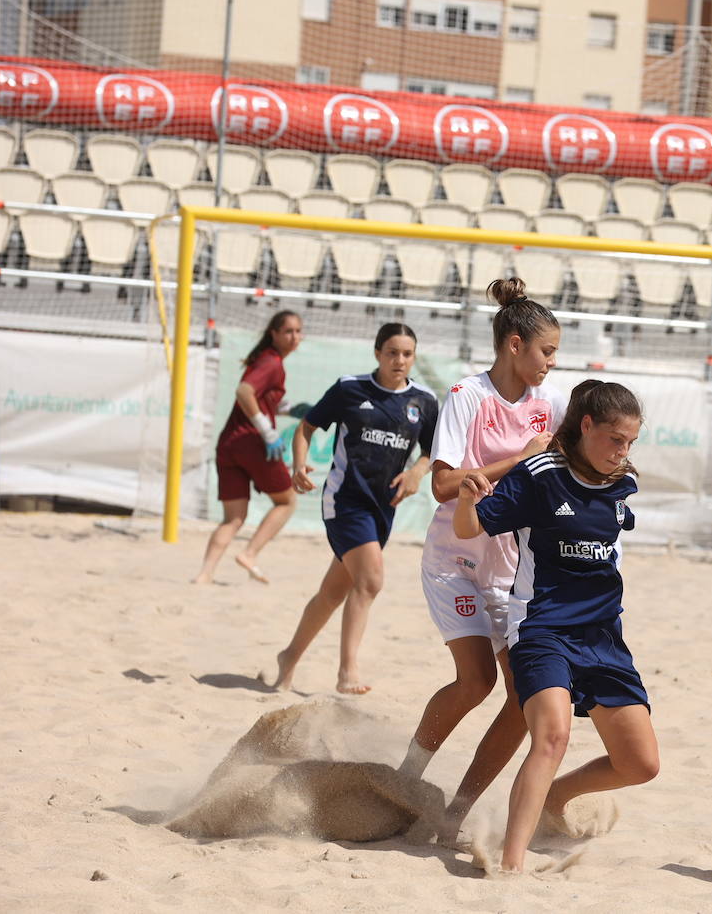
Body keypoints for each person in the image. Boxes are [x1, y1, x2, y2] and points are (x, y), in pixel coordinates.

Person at [454, 380, 657, 872]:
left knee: (641, 764)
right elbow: (469, 527)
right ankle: (511, 866)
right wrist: (466, 497)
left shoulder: (621, 484)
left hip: (604, 638)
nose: (622, 451)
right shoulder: (541, 475)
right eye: (615, 439)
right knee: (552, 738)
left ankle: (555, 796)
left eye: (630, 441)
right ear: (586, 426)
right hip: (542, 630)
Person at [397, 277, 567, 834]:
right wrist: (517, 460)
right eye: (546, 351)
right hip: (454, 559)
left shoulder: (547, 405)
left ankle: (456, 811)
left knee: (524, 697)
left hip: (509, 570)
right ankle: (406, 779)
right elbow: (443, 486)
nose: (550, 364)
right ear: (514, 344)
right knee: (475, 683)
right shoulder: (467, 397)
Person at [273, 323, 439, 694]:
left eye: (407, 354)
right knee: (371, 580)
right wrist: (299, 465)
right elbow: (306, 427)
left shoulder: (424, 402)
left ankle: (289, 657)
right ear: (377, 353)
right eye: (392, 352)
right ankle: (347, 672)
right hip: (345, 501)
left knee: (333, 593)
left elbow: (433, 451)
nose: (400, 360)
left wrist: (416, 471)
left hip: (383, 508)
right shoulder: (351, 389)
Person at [193, 310, 305, 585]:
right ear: (274, 334)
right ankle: (250, 554)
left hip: (229, 444)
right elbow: (244, 392)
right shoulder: (272, 362)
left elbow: (262, 398)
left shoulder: (265, 360)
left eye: (298, 331)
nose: (294, 337)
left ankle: (205, 574)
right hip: (252, 443)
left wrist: (295, 410)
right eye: (288, 331)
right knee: (287, 500)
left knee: (233, 518)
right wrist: (267, 431)